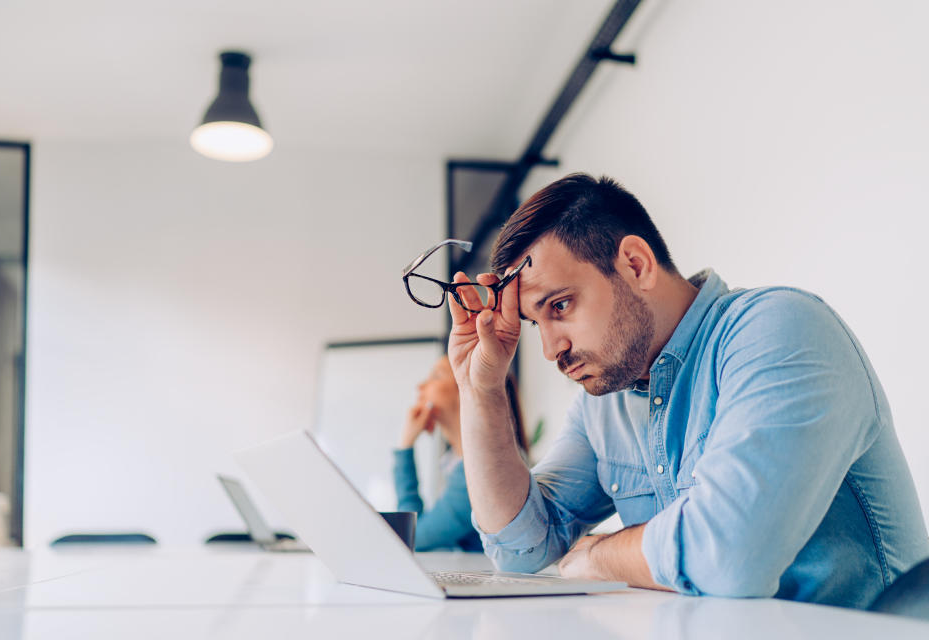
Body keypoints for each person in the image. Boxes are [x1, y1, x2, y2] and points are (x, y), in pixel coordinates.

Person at [441, 173, 929, 608]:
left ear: (635, 264)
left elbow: (729, 557)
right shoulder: (605, 404)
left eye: (561, 306)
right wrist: (479, 389)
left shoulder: (779, 328)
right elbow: (521, 549)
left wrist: (599, 553)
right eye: (535, 323)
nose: (550, 349)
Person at [392, 355, 528, 552]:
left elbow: (412, 537)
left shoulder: (483, 470)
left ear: (467, 389)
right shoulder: (455, 464)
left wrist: (405, 447)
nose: (421, 386)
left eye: (436, 376)